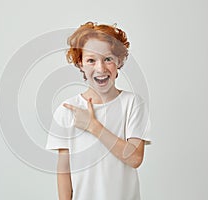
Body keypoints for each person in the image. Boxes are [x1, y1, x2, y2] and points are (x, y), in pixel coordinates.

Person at [46, 21, 151, 200]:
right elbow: (64, 171)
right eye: (91, 60)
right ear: (80, 64)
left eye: (108, 59)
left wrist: (93, 126)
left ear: (118, 61)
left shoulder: (133, 104)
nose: (100, 68)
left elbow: (134, 159)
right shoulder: (67, 111)